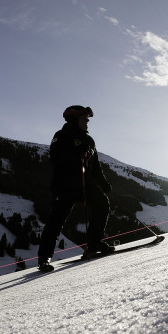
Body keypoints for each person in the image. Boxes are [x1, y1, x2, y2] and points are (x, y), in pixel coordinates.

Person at [38, 105, 113, 272]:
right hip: (64, 186)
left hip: (84, 186)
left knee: (102, 203)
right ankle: (44, 257)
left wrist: (105, 185)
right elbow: (55, 158)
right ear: (73, 119)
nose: (87, 121)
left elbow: (95, 167)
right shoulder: (61, 136)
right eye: (84, 118)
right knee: (57, 220)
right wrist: (76, 153)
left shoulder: (89, 140)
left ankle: (94, 244)